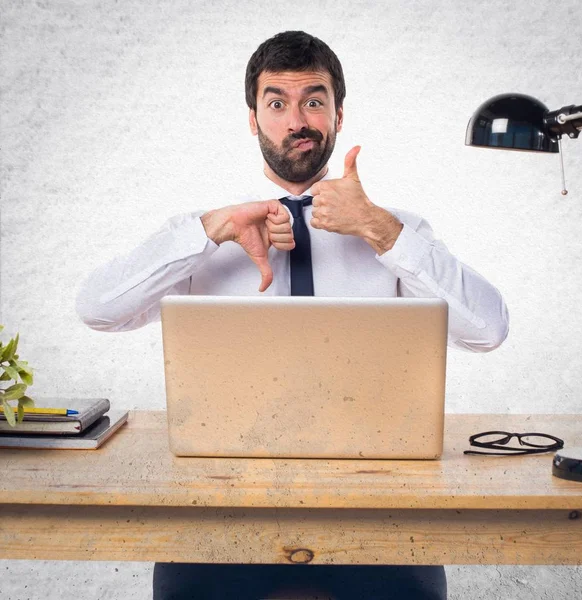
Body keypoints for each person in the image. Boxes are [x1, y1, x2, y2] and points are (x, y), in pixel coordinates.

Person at [77, 30, 508, 600]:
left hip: (377, 511)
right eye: (276, 102)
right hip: (220, 511)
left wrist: (379, 228)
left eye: (314, 100)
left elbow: (489, 329)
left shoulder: (398, 233)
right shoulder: (205, 235)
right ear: (253, 119)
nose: (296, 119)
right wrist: (211, 230)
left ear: (338, 114)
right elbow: (97, 309)